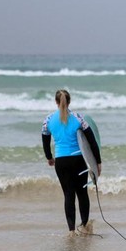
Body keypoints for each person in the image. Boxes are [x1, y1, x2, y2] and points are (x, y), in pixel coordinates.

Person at [41, 90, 102, 237]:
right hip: (78, 161)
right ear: (69, 102)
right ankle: (84, 226)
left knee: (68, 195)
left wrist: (49, 157)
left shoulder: (48, 120)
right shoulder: (78, 118)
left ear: (56, 102)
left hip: (61, 162)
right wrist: (97, 162)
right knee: (82, 194)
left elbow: (45, 140)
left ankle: (71, 231)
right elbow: (92, 140)